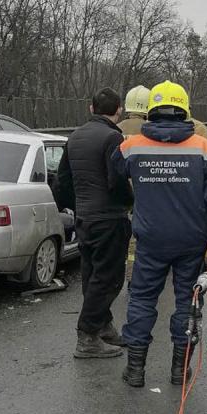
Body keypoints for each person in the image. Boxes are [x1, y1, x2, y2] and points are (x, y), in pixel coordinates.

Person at [112, 80, 207, 388]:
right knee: (187, 301)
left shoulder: (131, 146)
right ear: (184, 110)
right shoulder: (203, 148)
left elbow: (114, 177)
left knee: (141, 300)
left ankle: (135, 370)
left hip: (150, 239)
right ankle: (179, 370)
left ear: (151, 111)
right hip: (192, 240)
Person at [56, 87, 134, 359]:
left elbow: (62, 182)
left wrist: (77, 208)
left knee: (92, 276)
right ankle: (87, 336)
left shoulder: (74, 136)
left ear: (91, 109)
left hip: (84, 219)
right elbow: (117, 181)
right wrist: (129, 203)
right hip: (109, 218)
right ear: (118, 111)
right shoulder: (113, 137)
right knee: (109, 279)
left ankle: (103, 327)